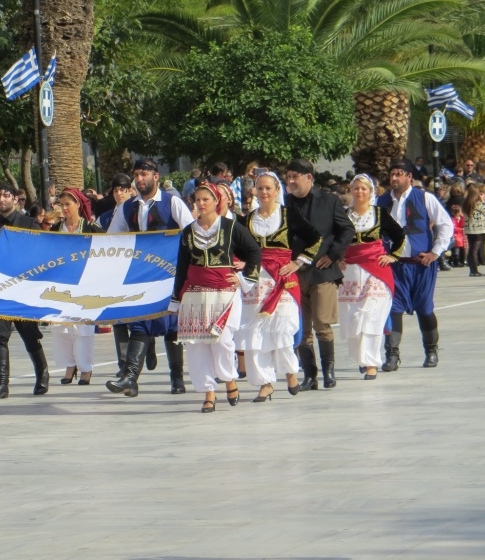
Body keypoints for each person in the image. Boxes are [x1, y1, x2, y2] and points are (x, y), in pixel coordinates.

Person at [105, 158, 195, 397]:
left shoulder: (171, 202)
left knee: (172, 325)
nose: (139, 178)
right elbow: (112, 239)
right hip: (141, 276)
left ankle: (177, 378)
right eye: (136, 174)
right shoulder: (127, 207)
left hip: (170, 274)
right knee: (139, 322)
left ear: (156, 176)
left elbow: (192, 233)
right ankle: (130, 378)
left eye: (144, 173)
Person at [171, 182, 261, 413]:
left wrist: (243, 278)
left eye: (205, 199)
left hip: (224, 291)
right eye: (197, 200)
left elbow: (254, 252)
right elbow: (182, 266)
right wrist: (176, 297)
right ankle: (208, 393)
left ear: (216, 202)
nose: (200, 204)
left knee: (222, 340)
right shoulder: (189, 232)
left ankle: (229, 379)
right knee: (196, 345)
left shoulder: (231, 227)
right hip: (195, 293)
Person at [236, 173, 322, 402]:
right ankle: (265, 383)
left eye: (268, 188)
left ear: (277, 191)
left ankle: (290, 372)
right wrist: (243, 263)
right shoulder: (246, 219)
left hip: (283, 279)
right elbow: (237, 249)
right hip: (257, 280)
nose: (264, 192)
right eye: (260, 188)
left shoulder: (288, 215)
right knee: (254, 331)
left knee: (282, 328)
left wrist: (297, 262)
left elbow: (315, 238)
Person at [284, 158, 355, 391]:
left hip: (322, 272)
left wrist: (334, 254)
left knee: (322, 324)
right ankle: (310, 376)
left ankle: (329, 372)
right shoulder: (284, 204)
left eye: (296, 177)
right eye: (289, 177)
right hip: (295, 275)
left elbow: (346, 229)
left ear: (309, 178)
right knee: (301, 329)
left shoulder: (329, 200)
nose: (291, 181)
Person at [377, 159, 454, 370]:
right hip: (394, 266)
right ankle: (392, 355)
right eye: (392, 173)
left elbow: (445, 224)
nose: (394, 178)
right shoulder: (381, 201)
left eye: (399, 173)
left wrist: (435, 252)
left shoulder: (424, 197)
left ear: (409, 176)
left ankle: (431, 350)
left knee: (425, 308)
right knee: (393, 309)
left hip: (421, 265)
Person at [0, 184, 50, 399]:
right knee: (0, 335)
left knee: (29, 334)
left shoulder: (29, 223)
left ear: (15, 199)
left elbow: (42, 252)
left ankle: (42, 374)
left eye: (6, 195)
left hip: (23, 288)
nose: (2, 199)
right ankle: (1, 384)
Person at [337, 175, 406, 380]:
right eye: (356, 188)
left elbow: (399, 235)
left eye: (364, 189)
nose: (359, 192)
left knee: (371, 316)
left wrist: (392, 255)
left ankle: (371, 363)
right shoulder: (343, 215)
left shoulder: (379, 213)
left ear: (371, 192)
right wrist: (336, 257)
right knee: (353, 318)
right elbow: (332, 239)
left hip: (376, 271)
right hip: (349, 273)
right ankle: (362, 358)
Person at [49, 188, 104, 386]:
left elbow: (105, 252)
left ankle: (86, 368)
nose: (64, 208)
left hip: (85, 284)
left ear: (78, 205)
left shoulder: (91, 228)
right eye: (61, 204)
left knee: (83, 328)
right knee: (61, 328)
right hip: (61, 283)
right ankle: (69, 365)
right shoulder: (55, 230)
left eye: (67, 204)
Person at [462, 184, 485, 277]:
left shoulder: (466, 202)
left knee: (472, 248)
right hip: (478, 229)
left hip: (469, 229)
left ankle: (472, 269)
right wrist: (482, 201)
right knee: (475, 249)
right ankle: (475, 270)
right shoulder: (477, 203)